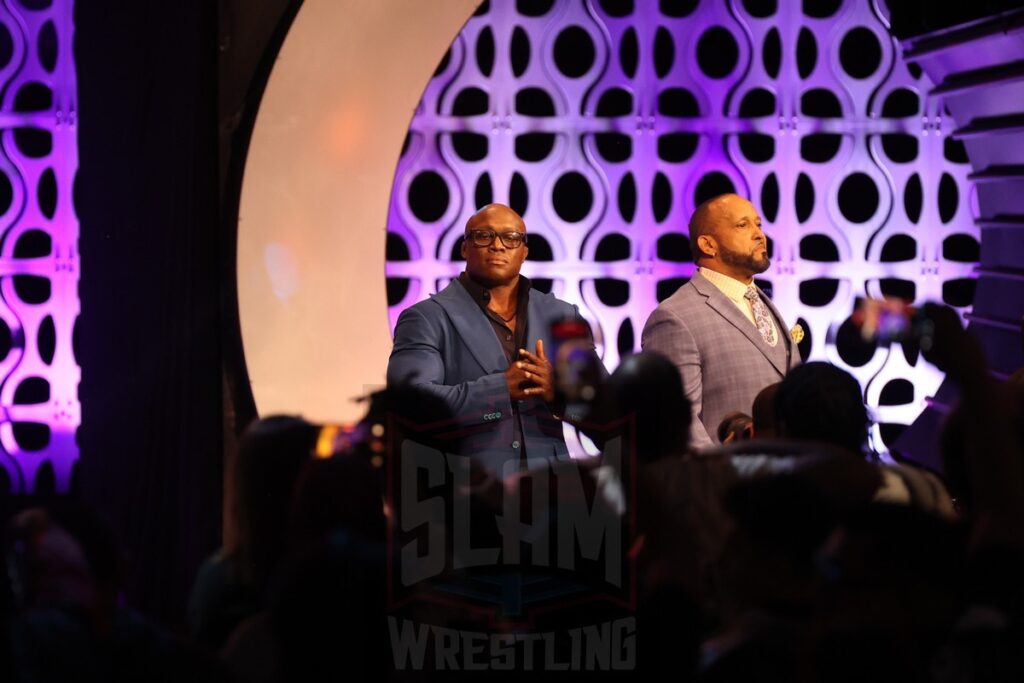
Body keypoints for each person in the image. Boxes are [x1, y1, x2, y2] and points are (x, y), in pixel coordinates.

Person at [387, 203, 600, 474]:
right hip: (466, 496)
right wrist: (499, 389)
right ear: (465, 248)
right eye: (483, 236)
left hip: (551, 499)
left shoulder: (563, 316)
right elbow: (410, 404)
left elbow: (603, 411)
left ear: (524, 252)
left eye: (511, 238)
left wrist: (561, 394)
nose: (497, 246)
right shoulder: (426, 318)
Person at [642, 193, 800, 449]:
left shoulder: (765, 303)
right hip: (728, 482)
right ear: (708, 245)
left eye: (758, 224)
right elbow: (679, 426)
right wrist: (720, 481)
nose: (759, 234)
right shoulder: (674, 317)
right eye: (743, 225)